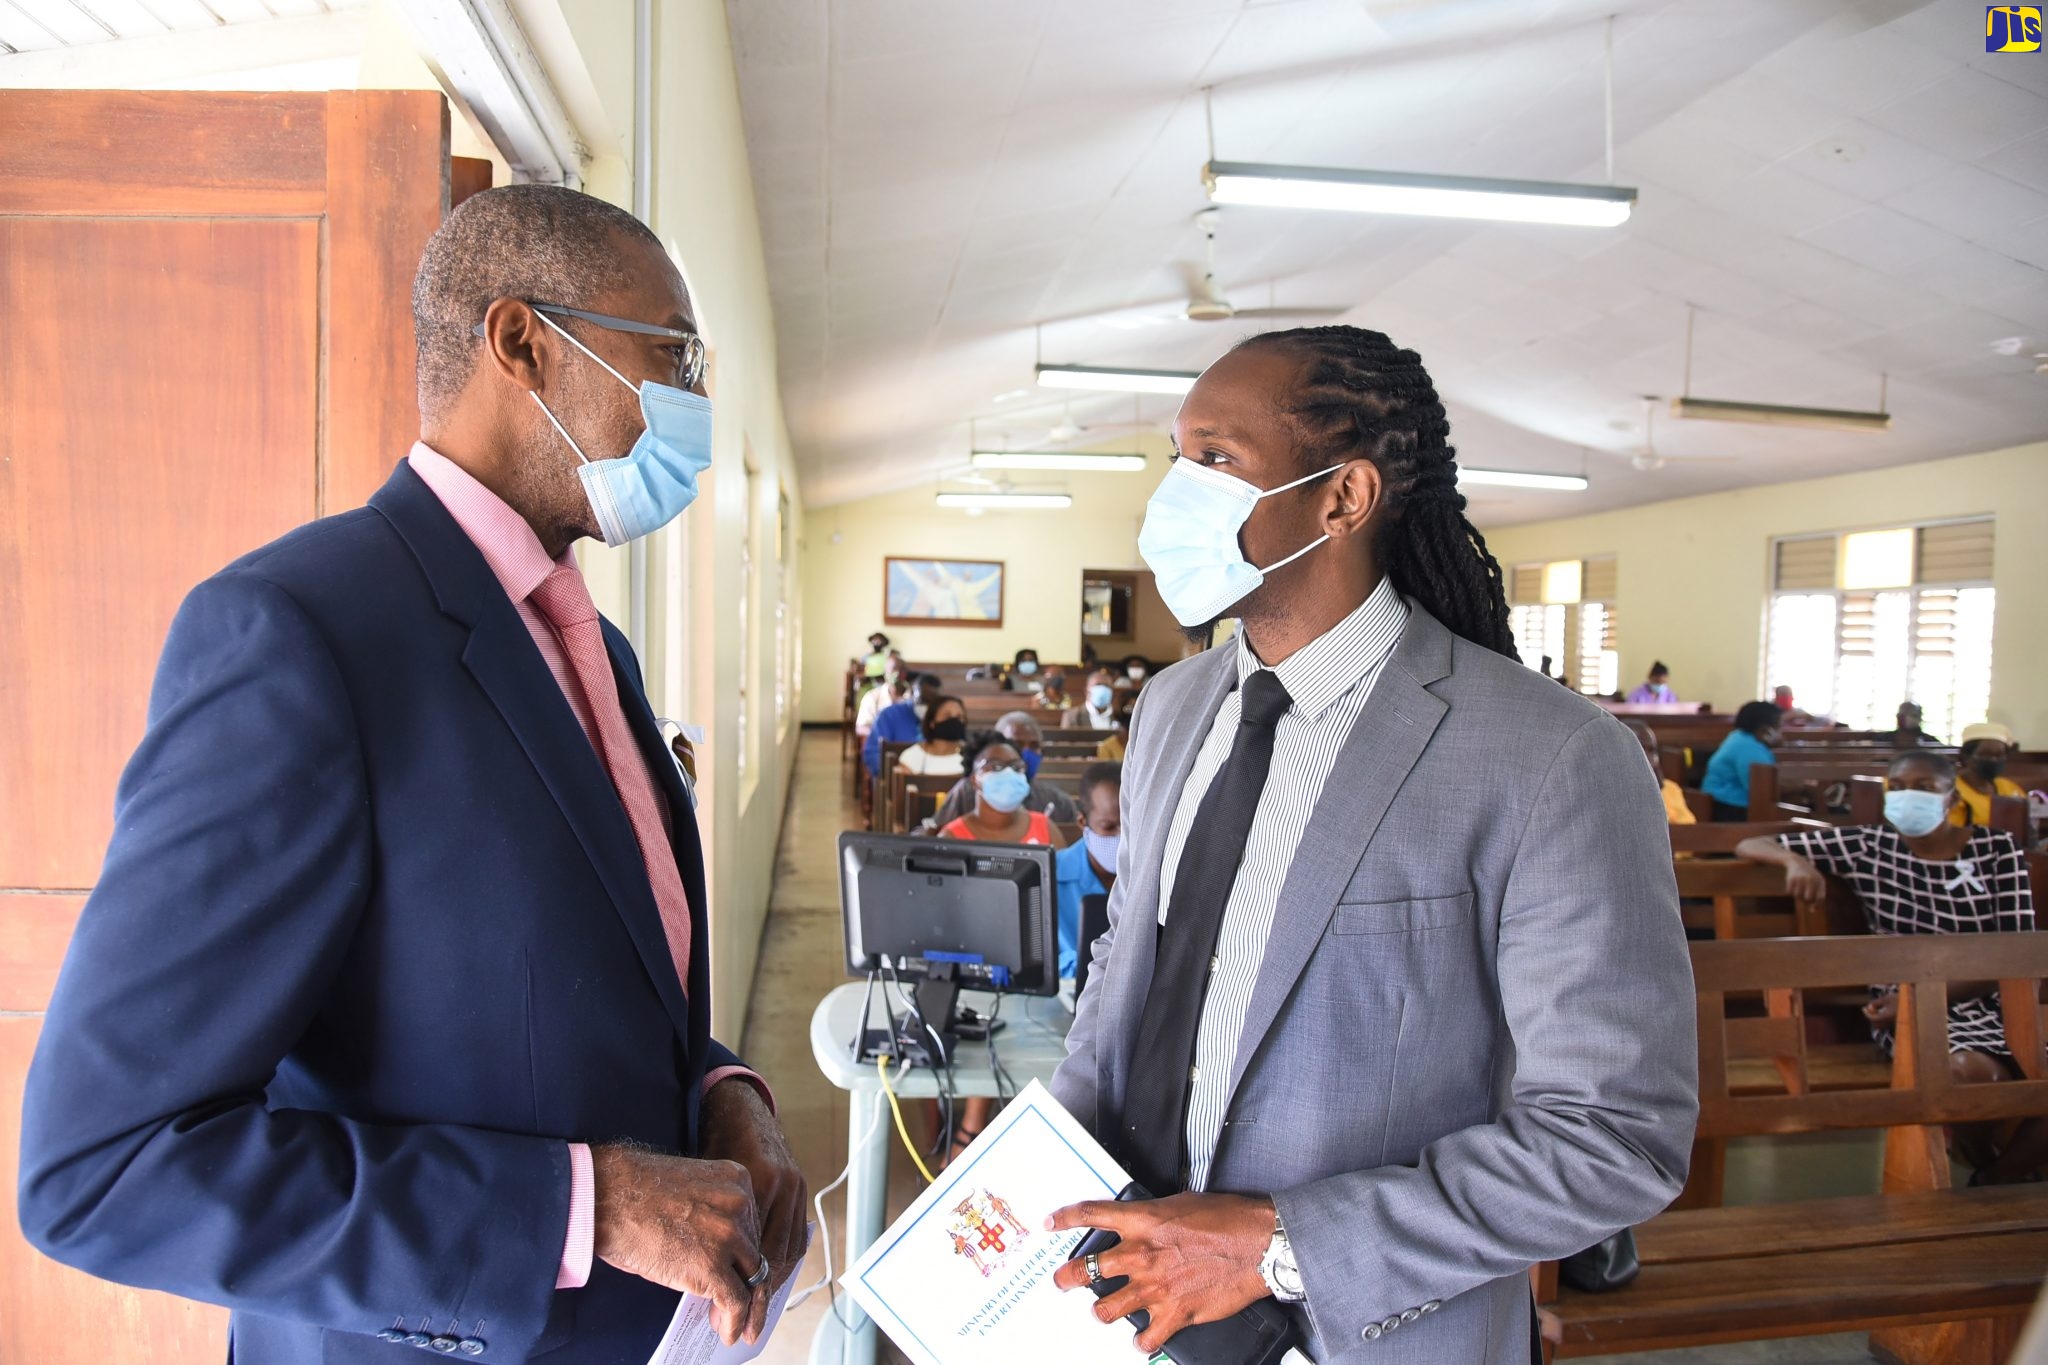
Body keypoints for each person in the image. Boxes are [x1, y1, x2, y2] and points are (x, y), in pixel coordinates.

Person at [16, 186, 805, 1362]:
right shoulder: (302, 634)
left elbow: (596, 987)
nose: (694, 401)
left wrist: (729, 1096)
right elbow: (106, 1165)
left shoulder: (591, 650)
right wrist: (584, 1209)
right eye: (672, 355)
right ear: (521, 343)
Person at [1047, 326, 1694, 1363]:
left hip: (1366, 1334)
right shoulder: (1172, 706)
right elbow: (1127, 978)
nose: (1176, 494)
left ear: (1340, 499)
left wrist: (1279, 1248)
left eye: (1214, 460)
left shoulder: (1550, 757)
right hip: (1123, 1300)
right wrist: (1032, 1175)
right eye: (1177, 458)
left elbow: (1612, 1138)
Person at [1735, 751, 2045, 1182]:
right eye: (1896, 788)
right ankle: (1992, 1173)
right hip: (1909, 1009)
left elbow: (2018, 952)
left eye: (1922, 787)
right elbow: (1750, 843)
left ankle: (1996, 1178)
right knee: (1970, 1075)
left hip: (1997, 1000)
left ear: (1950, 797)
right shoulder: (1871, 845)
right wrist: (1795, 861)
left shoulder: (1996, 850)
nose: (1906, 797)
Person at [930, 711, 1080, 827]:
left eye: (1034, 746)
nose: (1026, 753)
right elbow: (935, 834)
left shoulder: (1058, 802)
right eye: (1017, 744)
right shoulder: (969, 791)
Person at [1055, 762, 1122, 980]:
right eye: (1109, 827)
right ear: (1082, 821)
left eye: (1130, 826)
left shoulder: (1161, 875)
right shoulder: (1050, 877)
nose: (1123, 838)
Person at [936, 735, 1065, 847]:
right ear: (975, 780)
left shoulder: (1046, 828)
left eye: (1016, 767)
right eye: (996, 766)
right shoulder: (951, 837)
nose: (1008, 773)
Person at [1701, 701, 1781, 821]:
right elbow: (1762, 786)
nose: (1781, 733)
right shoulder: (1748, 747)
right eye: (1778, 727)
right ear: (1766, 730)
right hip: (1730, 808)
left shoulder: (1739, 736)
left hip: (1722, 803)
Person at [863, 671, 940, 775]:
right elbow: (873, 753)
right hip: (896, 778)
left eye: (931, 703)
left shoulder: (942, 718)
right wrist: (893, 773)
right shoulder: (889, 715)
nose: (926, 706)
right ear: (913, 694)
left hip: (934, 777)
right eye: (922, 700)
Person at [1954, 722, 2026, 828]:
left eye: (1999, 755)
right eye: (1985, 754)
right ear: (1966, 756)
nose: (1993, 759)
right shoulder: (1953, 790)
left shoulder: (2008, 787)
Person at [1624, 721, 1695, 826]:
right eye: (1641, 749)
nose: (1649, 758)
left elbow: (1689, 829)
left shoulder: (1671, 788)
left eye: (1652, 750)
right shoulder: (1614, 793)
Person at [896, 695, 969, 776]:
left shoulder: (971, 756)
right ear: (932, 723)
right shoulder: (911, 757)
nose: (954, 721)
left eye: (959, 717)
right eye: (947, 716)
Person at [853, 670, 907, 742]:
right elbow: (860, 728)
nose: (896, 674)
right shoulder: (872, 697)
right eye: (892, 670)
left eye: (900, 669)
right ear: (885, 674)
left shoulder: (913, 697)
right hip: (879, 744)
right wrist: (882, 735)